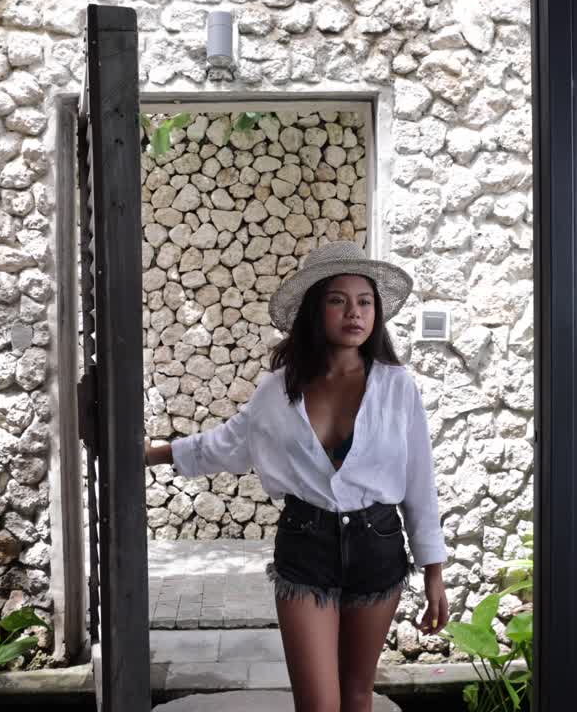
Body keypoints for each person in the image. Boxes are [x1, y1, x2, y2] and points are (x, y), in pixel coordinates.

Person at [142, 241, 448, 712]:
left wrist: (434, 572)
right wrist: (152, 454)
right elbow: (226, 443)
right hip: (306, 545)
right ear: (314, 309)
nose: (354, 313)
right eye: (338, 300)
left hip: (378, 543)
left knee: (357, 695)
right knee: (318, 704)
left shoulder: (397, 386)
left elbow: (419, 482)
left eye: (365, 302)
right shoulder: (277, 390)